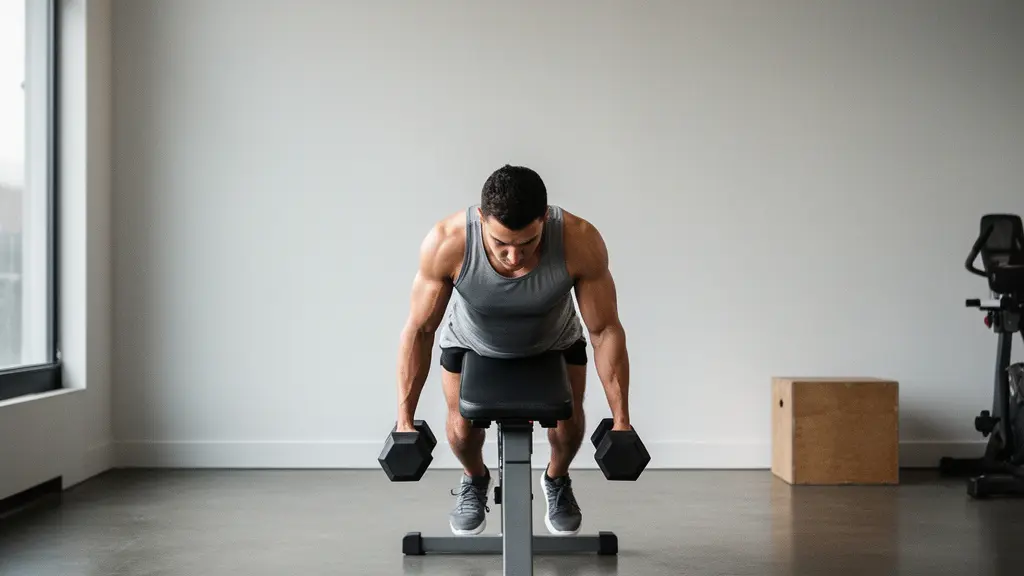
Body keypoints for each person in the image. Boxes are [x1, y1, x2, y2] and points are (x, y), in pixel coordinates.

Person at [393, 164, 631, 537]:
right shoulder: (448, 241)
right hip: (472, 342)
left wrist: (621, 420)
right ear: (482, 218)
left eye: (527, 244)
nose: (514, 257)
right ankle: (474, 479)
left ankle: (557, 479)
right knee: (461, 429)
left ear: (544, 219)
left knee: (569, 430)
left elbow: (604, 330)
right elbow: (421, 330)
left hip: (554, 340)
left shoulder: (579, 240)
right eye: (500, 244)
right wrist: (405, 420)